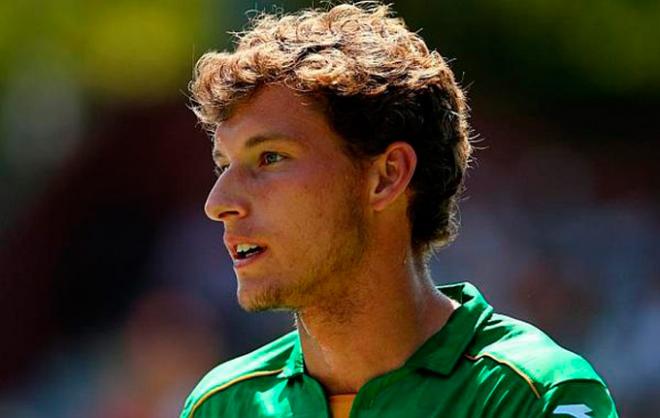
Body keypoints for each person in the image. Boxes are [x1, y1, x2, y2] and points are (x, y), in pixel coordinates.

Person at [179, 3, 618, 417]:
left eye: (270, 157)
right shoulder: (220, 404)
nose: (218, 203)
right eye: (223, 165)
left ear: (387, 176)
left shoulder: (536, 394)